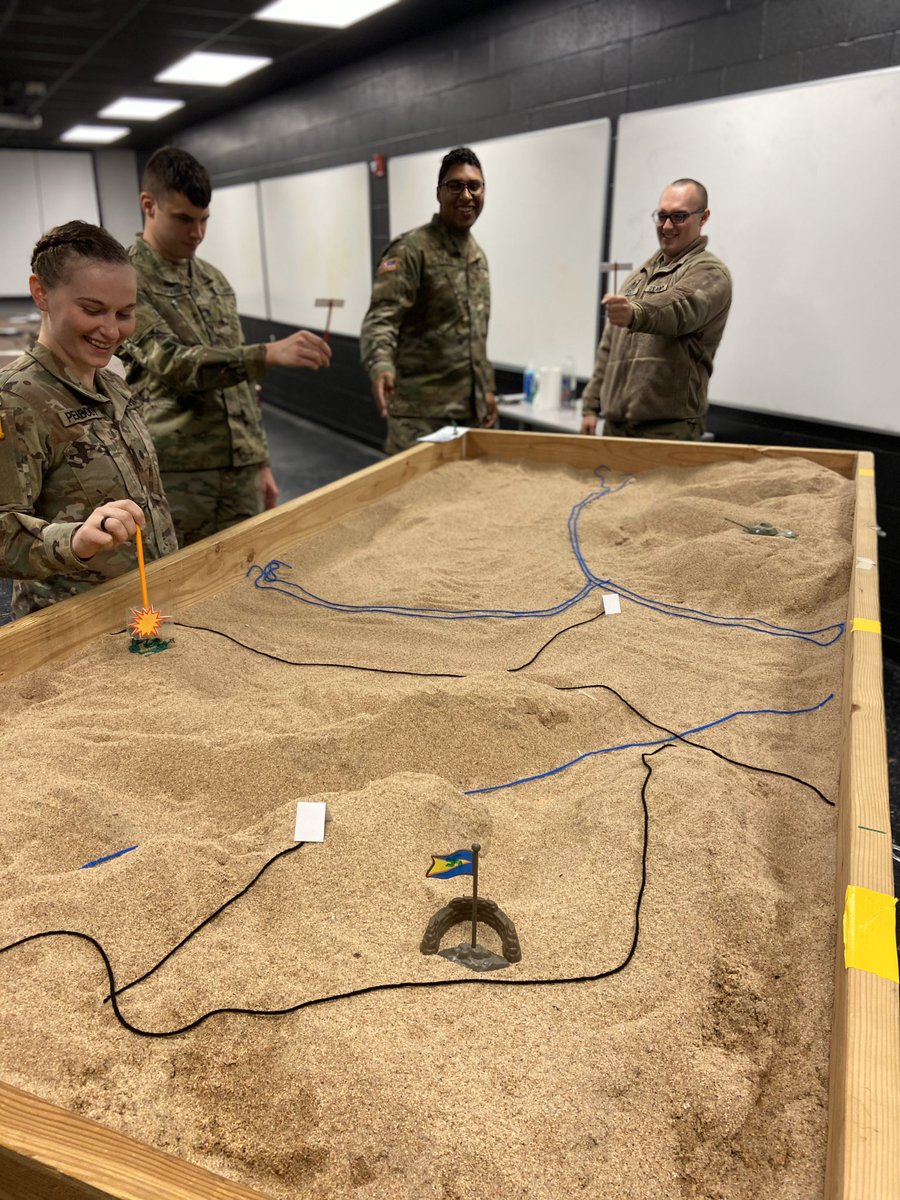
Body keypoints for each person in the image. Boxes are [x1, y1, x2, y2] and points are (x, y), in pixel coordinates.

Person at [119, 146, 331, 545]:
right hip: (177, 470)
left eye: (203, 220)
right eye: (183, 219)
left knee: (248, 573)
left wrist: (260, 460)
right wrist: (266, 353)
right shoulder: (127, 281)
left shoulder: (213, 281)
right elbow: (174, 363)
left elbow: (242, 387)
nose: (196, 233)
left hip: (240, 468)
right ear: (149, 205)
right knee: (179, 587)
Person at [0, 221, 177, 619]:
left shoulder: (114, 385)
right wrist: (75, 540)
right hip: (74, 625)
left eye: (125, 313)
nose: (111, 330)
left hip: (147, 609)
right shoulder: (14, 401)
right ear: (40, 293)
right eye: (92, 310)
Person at [360, 146, 498, 454]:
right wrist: (380, 362)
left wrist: (486, 389)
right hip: (420, 418)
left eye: (474, 186)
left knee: (465, 497)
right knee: (415, 500)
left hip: (469, 414)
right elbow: (382, 317)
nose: (466, 195)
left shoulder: (477, 257)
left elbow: (476, 337)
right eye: (455, 186)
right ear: (439, 193)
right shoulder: (411, 250)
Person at [580, 178, 732, 441]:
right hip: (616, 427)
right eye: (662, 216)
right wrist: (590, 406)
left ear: (703, 217)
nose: (667, 226)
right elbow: (608, 347)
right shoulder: (638, 276)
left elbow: (679, 308)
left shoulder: (710, 273)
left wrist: (634, 313)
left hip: (667, 430)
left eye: (679, 216)